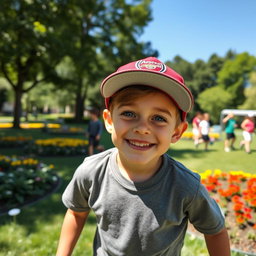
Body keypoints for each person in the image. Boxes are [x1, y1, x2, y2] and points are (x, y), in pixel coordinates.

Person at [56, 57, 230, 256]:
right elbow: (76, 213)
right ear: (109, 120)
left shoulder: (185, 186)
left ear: (176, 132)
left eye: (158, 118)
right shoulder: (91, 171)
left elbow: (216, 231)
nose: (142, 128)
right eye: (129, 113)